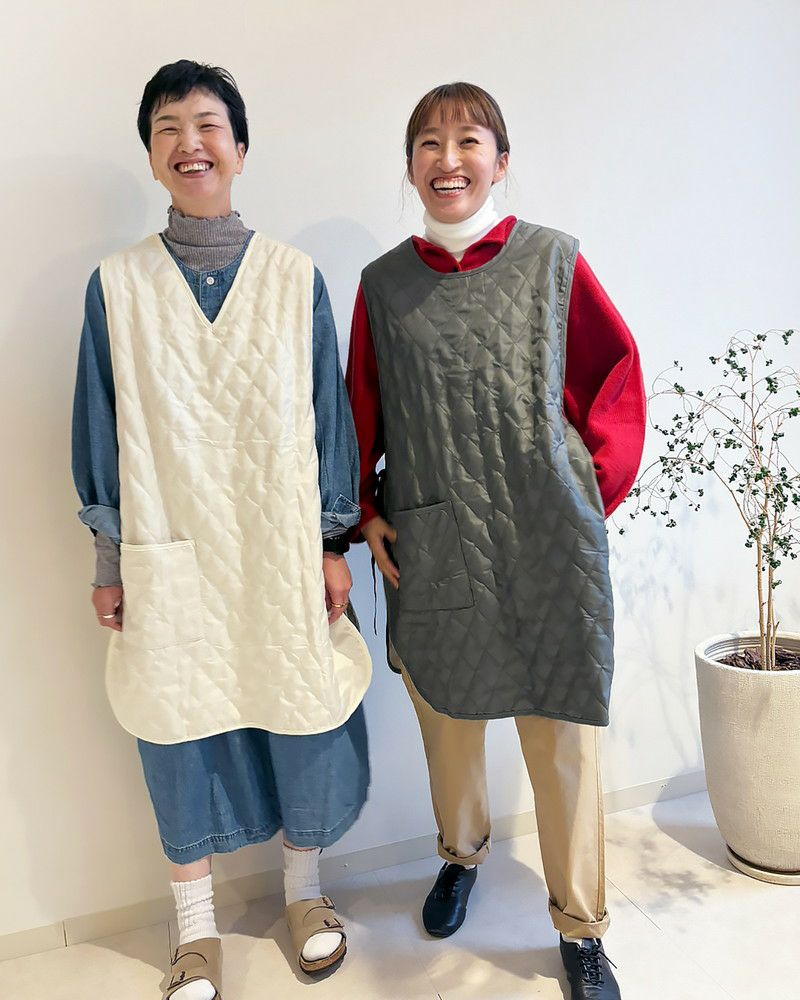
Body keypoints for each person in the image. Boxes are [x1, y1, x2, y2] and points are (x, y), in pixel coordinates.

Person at [71, 60, 371, 999]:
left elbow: (328, 419)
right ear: (151, 157)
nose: (189, 143)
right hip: (168, 543)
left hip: (279, 539)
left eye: (207, 125)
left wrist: (330, 542)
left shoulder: (293, 279)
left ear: (240, 149)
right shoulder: (115, 286)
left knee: (301, 703)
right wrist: (110, 557)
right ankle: (194, 927)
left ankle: (305, 894)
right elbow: (99, 427)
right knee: (173, 718)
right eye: (168, 128)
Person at [346, 82, 645, 1000]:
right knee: (450, 724)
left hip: (546, 544)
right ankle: (461, 855)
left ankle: (581, 926)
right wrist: (363, 510)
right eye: (428, 144)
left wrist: (588, 495)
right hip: (436, 542)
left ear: (500, 161)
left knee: (564, 737)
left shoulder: (553, 260)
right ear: (410, 169)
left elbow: (614, 378)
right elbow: (359, 408)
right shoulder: (384, 287)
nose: (449, 159)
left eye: (468, 140)